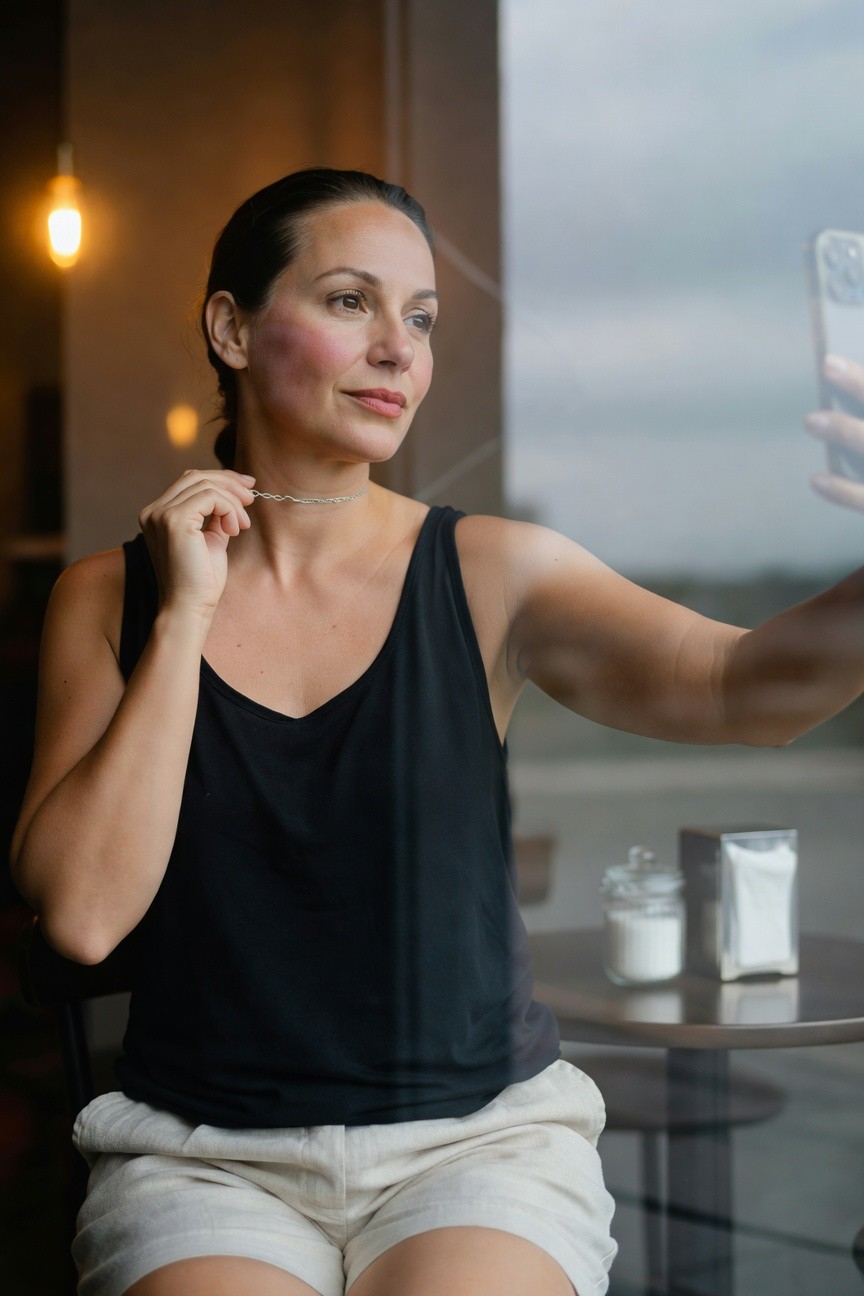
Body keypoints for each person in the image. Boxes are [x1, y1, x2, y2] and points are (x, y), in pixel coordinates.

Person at [8, 166, 864, 1296]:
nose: (400, 349)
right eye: (351, 301)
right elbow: (79, 913)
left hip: (476, 1146)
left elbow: (744, 689)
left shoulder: (489, 572)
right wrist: (186, 617)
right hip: (203, 1160)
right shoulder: (105, 598)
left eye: (421, 319)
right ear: (231, 325)